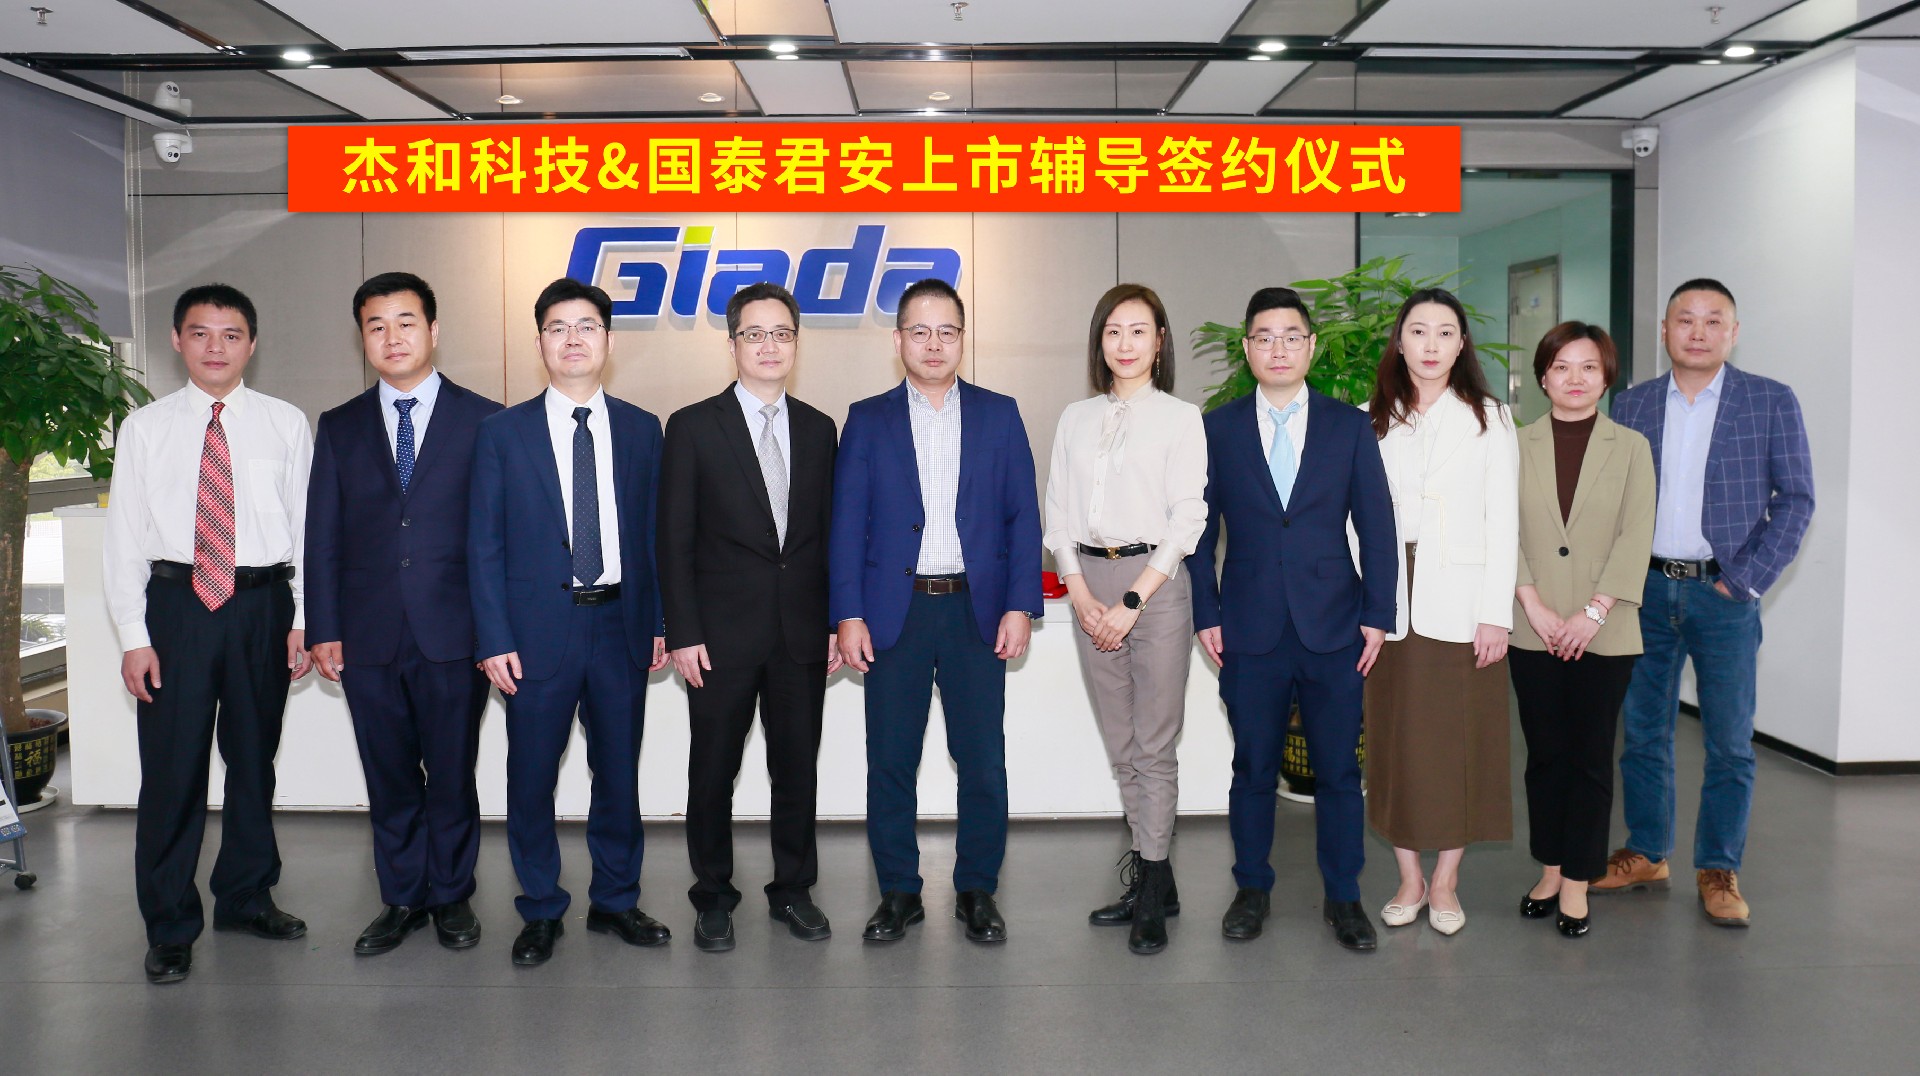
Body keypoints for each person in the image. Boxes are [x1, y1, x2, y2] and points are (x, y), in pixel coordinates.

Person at [104, 284, 314, 984]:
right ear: (176, 340)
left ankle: (246, 897)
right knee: (173, 770)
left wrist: (304, 618)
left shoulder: (286, 423)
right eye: (200, 333)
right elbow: (123, 537)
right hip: (176, 608)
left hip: (262, 607)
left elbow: (308, 527)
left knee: (254, 762)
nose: (215, 347)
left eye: (231, 335)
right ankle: (169, 923)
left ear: (252, 343)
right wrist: (133, 635)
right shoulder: (146, 428)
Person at [830, 278, 1043, 945]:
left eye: (946, 331)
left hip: (975, 612)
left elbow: (1022, 517)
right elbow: (847, 525)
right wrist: (847, 613)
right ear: (898, 341)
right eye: (919, 331)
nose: (933, 344)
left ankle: (977, 889)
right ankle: (899, 891)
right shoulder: (867, 419)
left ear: (962, 338)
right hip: (894, 615)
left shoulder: (999, 414)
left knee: (981, 760)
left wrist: (1021, 605)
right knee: (891, 760)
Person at [1595, 278, 1814, 927]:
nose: (1698, 331)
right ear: (1664, 330)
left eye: (1713, 320)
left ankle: (1718, 867)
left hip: (1724, 594)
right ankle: (1646, 851)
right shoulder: (1632, 404)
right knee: (1643, 733)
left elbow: (1796, 500)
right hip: (1645, 590)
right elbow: (1612, 499)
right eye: (1684, 319)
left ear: (1733, 333)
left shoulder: (1769, 401)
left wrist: (1744, 581)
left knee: (1729, 742)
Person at [1187, 286, 1397, 953]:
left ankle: (1344, 896)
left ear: (1311, 347)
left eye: (1291, 336)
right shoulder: (1217, 429)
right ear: (1247, 349)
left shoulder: (1348, 426)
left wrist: (1379, 615)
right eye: (1264, 337)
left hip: (1335, 627)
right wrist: (1205, 612)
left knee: (1338, 772)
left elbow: (1378, 526)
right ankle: (1251, 888)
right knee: (1252, 768)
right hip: (1248, 629)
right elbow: (1198, 533)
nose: (1278, 349)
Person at [469, 277, 670, 966]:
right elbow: (483, 545)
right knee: (531, 777)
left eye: (587, 326)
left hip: (620, 627)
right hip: (533, 637)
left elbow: (654, 537)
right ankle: (540, 907)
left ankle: (616, 899)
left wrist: (661, 621)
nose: (573, 339)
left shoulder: (643, 430)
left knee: (618, 774)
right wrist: (493, 637)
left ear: (609, 341)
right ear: (539, 343)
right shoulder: (501, 434)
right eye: (558, 328)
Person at [305, 272, 501, 956]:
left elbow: (497, 535)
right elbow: (323, 534)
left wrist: (497, 631)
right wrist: (324, 627)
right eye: (376, 325)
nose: (392, 337)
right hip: (368, 634)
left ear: (433, 330)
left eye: (406, 322)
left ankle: (451, 894)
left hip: (456, 631)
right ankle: (401, 897)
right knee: (387, 774)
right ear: (362, 338)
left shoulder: (487, 419)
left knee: (451, 773)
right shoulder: (339, 425)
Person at [659, 282, 840, 953]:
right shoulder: (692, 426)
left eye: (782, 334)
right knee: (713, 771)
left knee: (797, 770)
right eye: (755, 334)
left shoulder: (819, 429)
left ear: (796, 344)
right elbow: (673, 539)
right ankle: (712, 895)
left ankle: (794, 888)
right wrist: (683, 632)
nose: (770, 346)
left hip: (800, 633)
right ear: (733, 344)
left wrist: (834, 622)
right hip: (718, 638)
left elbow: (829, 538)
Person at [1044, 284, 1208, 955]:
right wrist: (1080, 593)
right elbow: (1057, 511)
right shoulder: (1075, 418)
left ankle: (1152, 883)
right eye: (1113, 331)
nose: (1125, 343)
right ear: (1099, 341)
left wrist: (1132, 601)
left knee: (1153, 745)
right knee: (1122, 745)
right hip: (1090, 583)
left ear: (1160, 341)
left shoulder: (1181, 419)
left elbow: (1188, 519)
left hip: (1155, 586)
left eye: (1139, 331)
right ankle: (1154, 879)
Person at [1365, 287, 1518, 937]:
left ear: (1461, 345)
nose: (1431, 344)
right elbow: (1353, 521)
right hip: (1389, 596)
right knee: (1394, 738)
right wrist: (1363, 602)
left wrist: (1496, 614)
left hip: (1462, 598)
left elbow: (1503, 522)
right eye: (1418, 331)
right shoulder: (1369, 418)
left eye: (1445, 332)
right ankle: (1409, 878)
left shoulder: (1491, 418)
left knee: (1462, 741)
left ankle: (1448, 880)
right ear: (1400, 342)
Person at [1507, 322, 1654, 938]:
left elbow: (1636, 534)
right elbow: (1500, 531)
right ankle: (1550, 867)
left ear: (1606, 376)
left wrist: (1593, 613)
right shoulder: (1513, 444)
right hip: (1531, 624)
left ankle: (1577, 880)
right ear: (1543, 377)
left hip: (1607, 628)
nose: (1575, 378)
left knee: (1591, 757)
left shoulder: (1632, 447)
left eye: (1588, 366)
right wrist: (1534, 606)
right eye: (1561, 366)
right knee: (1545, 756)